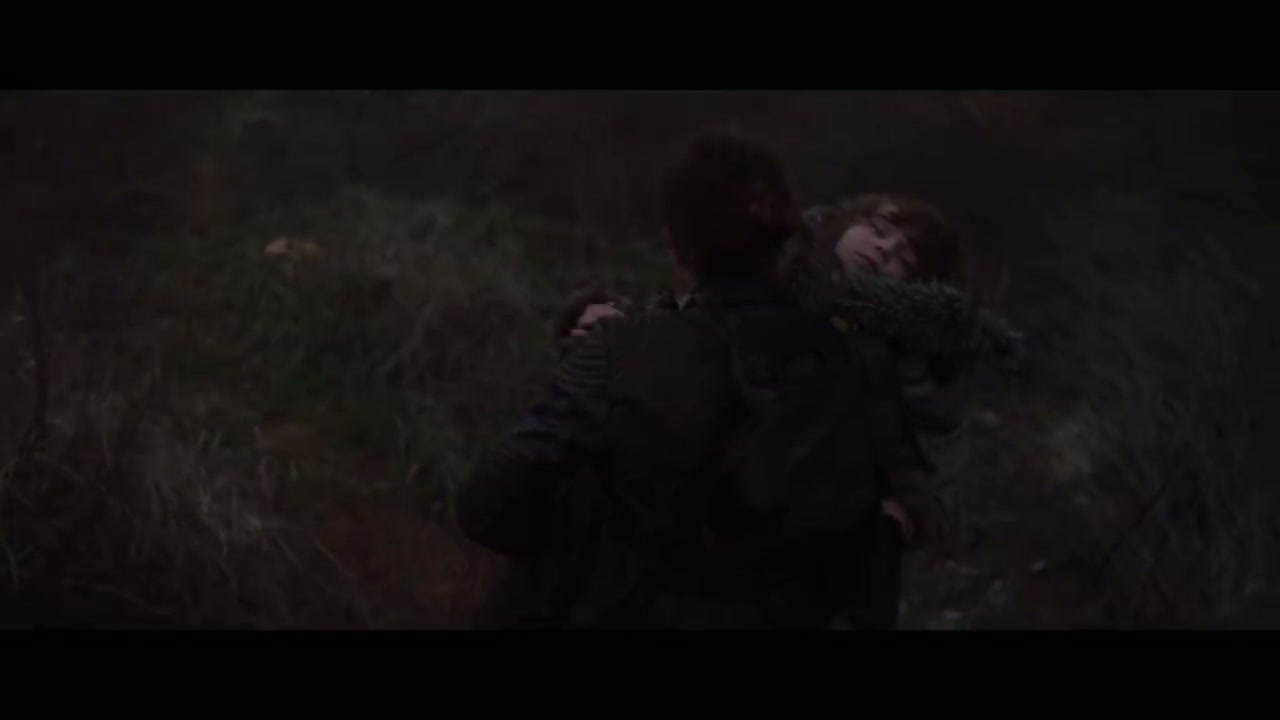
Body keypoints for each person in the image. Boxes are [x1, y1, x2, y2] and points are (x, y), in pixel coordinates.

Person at [458, 130, 916, 629]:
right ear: (788, 232)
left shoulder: (623, 351)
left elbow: (489, 505)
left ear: (676, 246)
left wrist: (577, 533)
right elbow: (859, 570)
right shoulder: (857, 375)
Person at [559, 192, 1023, 627]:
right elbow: (684, 339)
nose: (883, 249)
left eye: (905, 257)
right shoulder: (758, 275)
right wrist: (610, 337)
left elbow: (935, 467)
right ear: (848, 223)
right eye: (879, 230)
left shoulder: (910, 365)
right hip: (684, 525)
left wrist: (897, 518)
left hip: (807, 563)